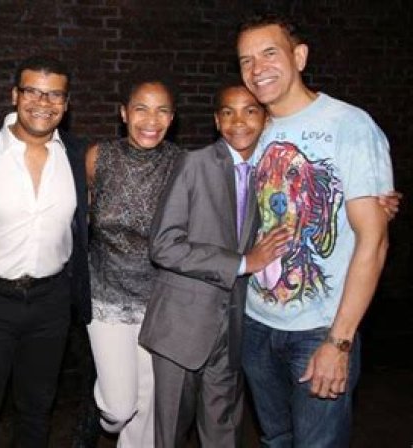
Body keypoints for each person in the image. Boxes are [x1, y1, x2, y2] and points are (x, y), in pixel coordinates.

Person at [236, 13, 394, 446]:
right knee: (275, 440)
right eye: (246, 60)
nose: (257, 68)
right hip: (255, 324)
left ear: (299, 57)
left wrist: (339, 342)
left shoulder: (349, 125)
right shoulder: (252, 130)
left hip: (319, 330)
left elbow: (374, 241)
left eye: (269, 53)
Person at [139, 81, 291, 447]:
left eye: (250, 111)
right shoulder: (194, 165)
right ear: (217, 121)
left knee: (223, 431)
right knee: (171, 433)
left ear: (266, 119)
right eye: (228, 113)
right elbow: (164, 246)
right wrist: (242, 263)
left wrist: (374, 201)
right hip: (182, 327)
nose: (239, 121)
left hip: (234, 325)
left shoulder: (272, 171)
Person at [0, 56, 90, 447]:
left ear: (66, 103)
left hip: (51, 302)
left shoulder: (79, 156)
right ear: (15, 95)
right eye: (32, 91)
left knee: (37, 410)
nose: (42, 102)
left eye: (54, 95)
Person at [84, 73, 184, 447]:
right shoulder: (98, 158)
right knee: (120, 407)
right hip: (105, 296)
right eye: (141, 109)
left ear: (171, 118)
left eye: (161, 111)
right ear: (124, 113)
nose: (151, 120)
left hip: (158, 301)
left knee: (147, 409)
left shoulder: (183, 165)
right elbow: (77, 216)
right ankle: (101, 417)